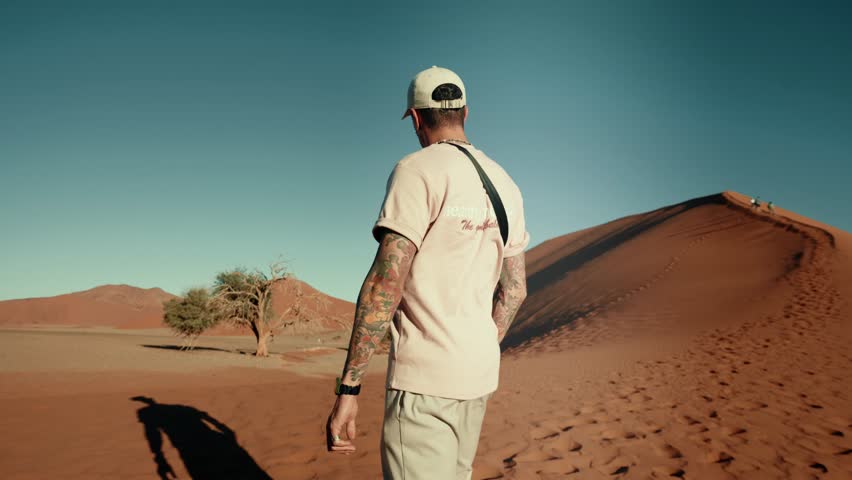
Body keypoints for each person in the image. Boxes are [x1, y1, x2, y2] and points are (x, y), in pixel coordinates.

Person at [325, 66, 530, 480]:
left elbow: (386, 284)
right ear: (465, 113)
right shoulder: (506, 183)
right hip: (478, 377)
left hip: (424, 382)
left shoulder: (417, 170)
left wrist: (349, 388)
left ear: (416, 118)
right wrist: (477, 346)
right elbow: (515, 289)